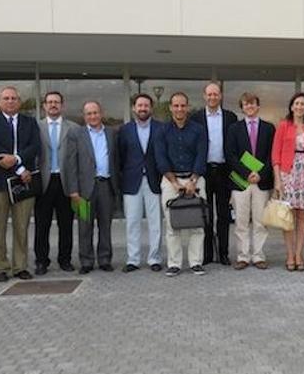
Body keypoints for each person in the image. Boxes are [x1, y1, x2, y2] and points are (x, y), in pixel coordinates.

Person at [0, 85, 40, 282]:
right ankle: (0, 267)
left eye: (13, 98)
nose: (10, 101)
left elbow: (35, 146)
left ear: (19, 101)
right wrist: (18, 167)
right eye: (6, 98)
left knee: (22, 226)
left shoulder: (30, 122)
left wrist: (17, 160)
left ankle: (20, 266)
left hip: (24, 182)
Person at [155, 92, 208, 277]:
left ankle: (195, 262)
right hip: (171, 181)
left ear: (187, 107)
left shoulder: (198, 129)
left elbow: (202, 155)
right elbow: (160, 157)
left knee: (197, 224)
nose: (179, 109)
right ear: (170, 107)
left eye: (182, 106)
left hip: (195, 179)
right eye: (176, 106)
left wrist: (193, 181)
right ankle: (174, 264)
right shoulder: (162, 130)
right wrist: (174, 182)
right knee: (172, 224)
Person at [63, 101, 119, 274]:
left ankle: (104, 259)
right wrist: (73, 191)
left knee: (105, 225)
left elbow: (117, 160)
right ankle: (86, 261)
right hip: (83, 190)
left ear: (101, 113)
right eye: (89, 114)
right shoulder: (75, 134)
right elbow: (70, 163)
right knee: (84, 226)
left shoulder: (111, 133)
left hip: (106, 187)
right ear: (84, 116)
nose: (93, 116)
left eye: (95, 113)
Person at [272, 92, 304, 271]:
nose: (299, 107)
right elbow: (275, 155)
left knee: (303, 216)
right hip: (288, 173)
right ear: (291, 107)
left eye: (303, 104)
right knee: (288, 217)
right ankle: (290, 255)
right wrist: (278, 180)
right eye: (296, 103)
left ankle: (300, 254)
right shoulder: (283, 125)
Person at [225, 92, 275, 270]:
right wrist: (247, 173)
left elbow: (272, 155)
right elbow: (230, 155)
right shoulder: (233, 128)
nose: (249, 106)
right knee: (241, 221)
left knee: (260, 221)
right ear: (242, 107)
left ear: (258, 106)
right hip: (240, 181)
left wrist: (261, 173)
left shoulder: (269, 128)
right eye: (246, 104)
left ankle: (258, 256)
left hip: (261, 181)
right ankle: (243, 256)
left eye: (253, 103)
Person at [190, 82, 238, 266]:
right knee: (206, 213)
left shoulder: (230, 117)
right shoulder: (196, 118)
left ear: (220, 96)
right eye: (209, 94)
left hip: (224, 170)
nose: (212, 97)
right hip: (204, 171)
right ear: (204, 96)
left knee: (224, 214)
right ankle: (208, 253)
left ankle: (224, 253)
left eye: (215, 94)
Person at [118, 93, 163, 273]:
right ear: (134, 108)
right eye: (139, 105)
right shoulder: (125, 130)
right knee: (132, 222)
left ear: (151, 108)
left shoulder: (161, 128)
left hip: (154, 180)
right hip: (132, 180)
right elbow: (120, 157)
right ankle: (133, 259)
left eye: (146, 105)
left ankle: (155, 258)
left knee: (155, 222)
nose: (143, 108)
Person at [34, 91, 78, 275]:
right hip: (43, 182)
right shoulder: (36, 127)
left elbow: (76, 159)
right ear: (44, 105)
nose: (53, 105)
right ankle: (41, 261)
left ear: (62, 105)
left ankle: (65, 259)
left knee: (66, 224)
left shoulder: (73, 128)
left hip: (65, 181)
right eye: (50, 102)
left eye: (57, 102)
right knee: (42, 224)